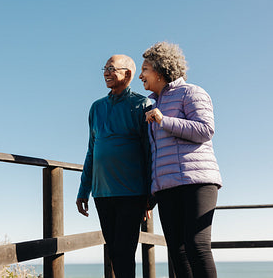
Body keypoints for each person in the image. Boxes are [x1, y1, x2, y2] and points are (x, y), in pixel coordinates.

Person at [139, 41, 222, 278]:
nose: (141, 76)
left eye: (145, 69)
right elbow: (157, 153)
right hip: (167, 188)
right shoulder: (154, 104)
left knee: (197, 245)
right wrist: (151, 193)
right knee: (177, 251)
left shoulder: (192, 92)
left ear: (160, 69)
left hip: (197, 182)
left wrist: (165, 120)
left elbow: (205, 130)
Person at [76, 54, 152, 278]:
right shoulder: (96, 107)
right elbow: (92, 150)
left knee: (125, 252)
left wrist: (150, 194)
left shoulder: (141, 104)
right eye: (105, 68)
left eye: (112, 68)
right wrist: (83, 190)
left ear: (127, 74)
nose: (106, 73)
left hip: (132, 192)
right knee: (114, 252)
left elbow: (149, 152)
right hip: (102, 192)